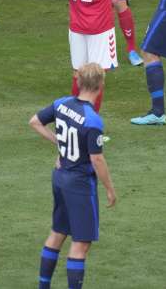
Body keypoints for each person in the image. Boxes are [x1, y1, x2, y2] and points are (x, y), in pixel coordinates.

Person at [28, 62, 117, 289]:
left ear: (78, 82)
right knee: (81, 243)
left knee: (58, 232)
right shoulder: (93, 120)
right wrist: (109, 188)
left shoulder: (61, 103)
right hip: (79, 184)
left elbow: (35, 122)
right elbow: (97, 159)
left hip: (59, 177)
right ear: (100, 86)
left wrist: (59, 142)